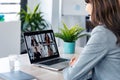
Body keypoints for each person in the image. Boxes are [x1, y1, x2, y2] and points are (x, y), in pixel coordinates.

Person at [63, 0, 120, 80]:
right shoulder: (115, 28)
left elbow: (70, 77)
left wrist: (73, 66)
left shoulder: (102, 33)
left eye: (87, 3)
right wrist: (84, 62)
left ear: (99, 5)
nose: (86, 8)